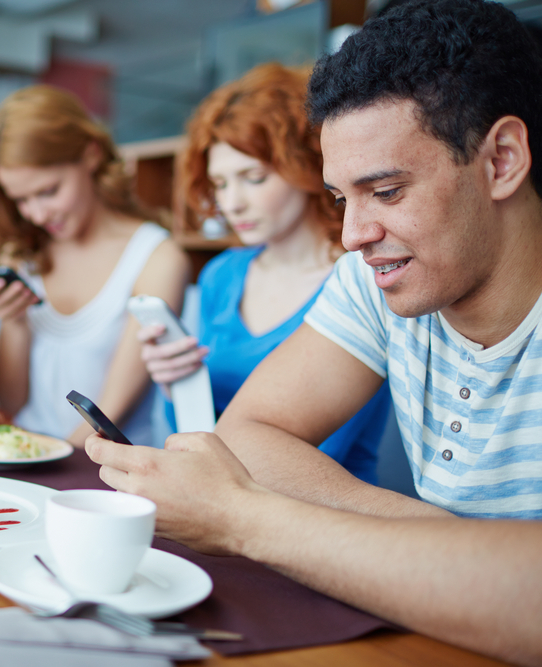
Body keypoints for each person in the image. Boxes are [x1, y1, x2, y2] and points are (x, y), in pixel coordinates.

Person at [85, 0, 542, 663]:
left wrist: (244, 518)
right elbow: (248, 433)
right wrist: (452, 548)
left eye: (386, 192)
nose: (353, 234)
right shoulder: (377, 276)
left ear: (500, 160)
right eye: (340, 198)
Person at [139, 63, 391, 483]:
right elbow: (193, 430)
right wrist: (176, 384)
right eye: (220, 184)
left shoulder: (363, 280)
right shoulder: (222, 274)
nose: (232, 203)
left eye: (253, 178)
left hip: (321, 518)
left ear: (308, 165)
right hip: (219, 497)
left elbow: (320, 454)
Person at [0, 85, 190, 447]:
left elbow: (109, 415)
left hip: (101, 470)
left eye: (48, 191)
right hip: (30, 459)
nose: (38, 214)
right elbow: (12, 403)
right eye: (21, 200)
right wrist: (13, 325)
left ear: (91, 155)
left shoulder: (157, 259)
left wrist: (42, 461)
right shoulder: (23, 256)